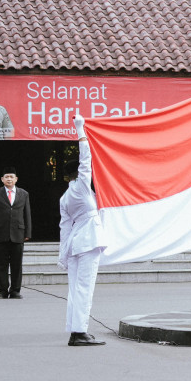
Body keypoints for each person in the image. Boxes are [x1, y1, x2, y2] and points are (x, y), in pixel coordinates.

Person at [58, 114, 107, 346]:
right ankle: (79, 332)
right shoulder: (81, 189)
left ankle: (75, 330)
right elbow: (86, 159)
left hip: (76, 244)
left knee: (75, 288)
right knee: (85, 288)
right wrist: (81, 131)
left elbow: (64, 228)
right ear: (78, 174)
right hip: (88, 241)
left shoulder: (65, 196)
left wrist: (62, 255)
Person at [0, 166, 31, 299]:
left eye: (11, 177)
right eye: (6, 177)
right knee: (1, 264)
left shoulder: (24, 194)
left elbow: (27, 214)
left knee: (17, 264)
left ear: (16, 179)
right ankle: (2, 290)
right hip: (0, 233)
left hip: (18, 233)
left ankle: (15, 290)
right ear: (2, 179)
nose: (9, 179)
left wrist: (28, 232)